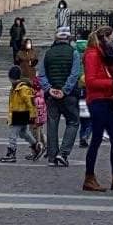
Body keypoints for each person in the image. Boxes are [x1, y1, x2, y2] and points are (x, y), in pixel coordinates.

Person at [82, 27, 113, 193]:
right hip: (97, 101)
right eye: (112, 37)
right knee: (96, 139)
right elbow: (91, 81)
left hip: (108, 100)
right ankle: (89, 177)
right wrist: (112, 83)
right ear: (104, 38)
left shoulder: (106, 55)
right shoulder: (92, 54)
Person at [39, 28, 82, 166]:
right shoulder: (73, 52)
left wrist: (49, 89)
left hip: (52, 95)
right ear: (68, 39)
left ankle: (52, 157)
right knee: (73, 122)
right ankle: (63, 153)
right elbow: (75, 74)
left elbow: (41, 74)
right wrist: (65, 90)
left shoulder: (48, 53)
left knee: (52, 124)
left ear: (55, 39)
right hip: (68, 96)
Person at [3, 70, 43, 162]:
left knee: (13, 134)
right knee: (23, 133)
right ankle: (36, 146)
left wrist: (33, 114)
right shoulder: (17, 86)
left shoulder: (22, 88)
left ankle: (11, 153)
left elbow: (29, 101)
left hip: (20, 113)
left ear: (11, 77)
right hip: (19, 113)